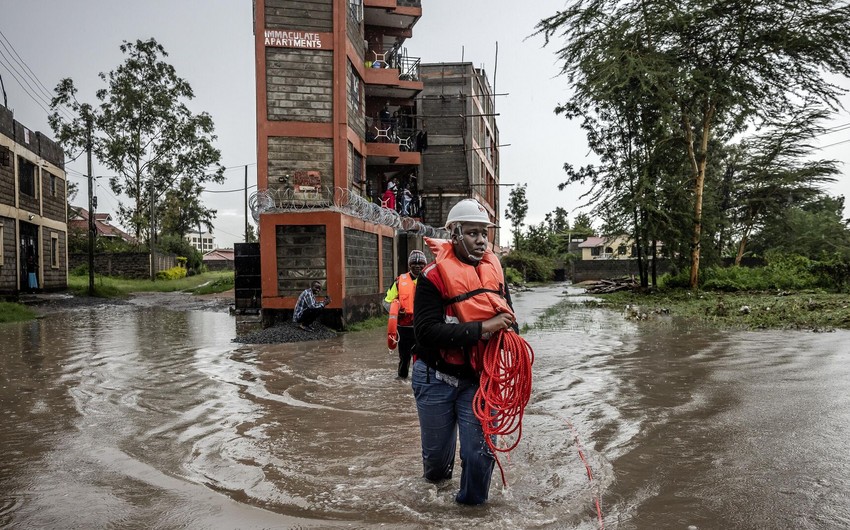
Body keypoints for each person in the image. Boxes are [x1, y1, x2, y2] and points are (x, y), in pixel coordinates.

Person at [412, 198, 518, 505]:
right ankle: (436, 498)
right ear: (454, 234)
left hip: (480, 379)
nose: (481, 240)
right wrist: (484, 329)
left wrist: (510, 331)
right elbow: (426, 332)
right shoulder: (432, 277)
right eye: (473, 233)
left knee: (480, 454)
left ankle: (471, 513)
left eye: (484, 233)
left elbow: (509, 319)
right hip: (436, 378)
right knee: (436, 465)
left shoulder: (494, 272)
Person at [383, 249, 427, 378]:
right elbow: (386, 302)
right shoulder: (399, 282)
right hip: (404, 328)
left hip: (423, 327)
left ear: (425, 265)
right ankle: (401, 381)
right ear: (409, 265)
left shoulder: (430, 281)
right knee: (404, 358)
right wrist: (396, 312)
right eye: (414, 263)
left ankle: (420, 381)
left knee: (423, 358)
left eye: (421, 263)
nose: (418, 266)